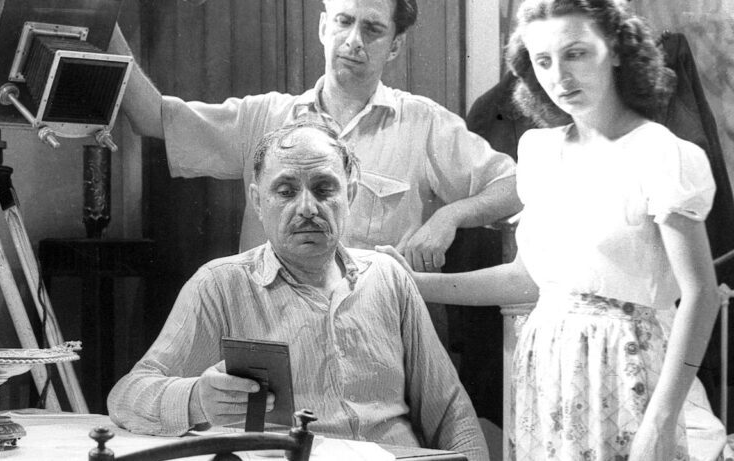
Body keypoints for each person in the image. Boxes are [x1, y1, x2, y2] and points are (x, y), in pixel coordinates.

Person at [379, 0, 720, 459]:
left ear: (617, 49)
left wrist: (660, 420)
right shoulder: (540, 152)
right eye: (543, 61)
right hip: (547, 372)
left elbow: (700, 295)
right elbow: (527, 279)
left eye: (575, 53)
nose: (560, 76)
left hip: (630, 372)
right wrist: (413, 283)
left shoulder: (660, 154)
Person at [107, 121, 489, 460]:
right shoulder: (219, 286)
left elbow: (451, 412)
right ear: (258, 201)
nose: (307, 208)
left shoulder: (388, 278)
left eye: (324, 189)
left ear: (350, 195)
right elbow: (127, 396)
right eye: (286, 191)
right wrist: (196, 399)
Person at [109, 0, 520, 270]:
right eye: (344, 22)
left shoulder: (423, 124)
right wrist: (101, 21)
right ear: (324, 27)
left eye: (373, 29)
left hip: (371, 344)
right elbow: (152, 117)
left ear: (395, 46)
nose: (354, 41)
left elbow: (516, 186)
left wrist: (449, 217)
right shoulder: (263, 118)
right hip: (273, 336)